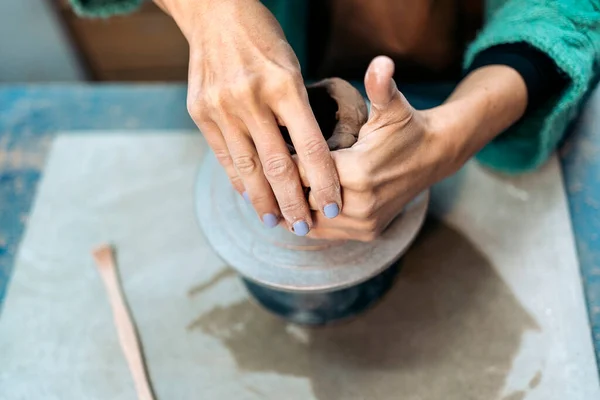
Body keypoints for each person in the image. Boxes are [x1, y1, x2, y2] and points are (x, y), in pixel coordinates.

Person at [71, 0, 600, 241]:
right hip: (268, 56)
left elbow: (572, 8)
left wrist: (446, 139)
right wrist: (208, 10)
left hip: (468, 77)